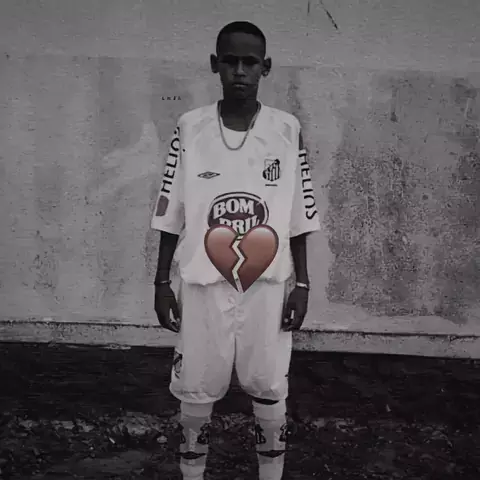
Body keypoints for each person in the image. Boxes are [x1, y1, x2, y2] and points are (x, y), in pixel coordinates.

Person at [151, 21, 320, 480]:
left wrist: (302, 283)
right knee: (195, 385)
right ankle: (192, 474)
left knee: (269, 383)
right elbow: (171, 208)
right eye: (230, 62)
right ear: (215, 65)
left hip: (267, 282)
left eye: (250, 62)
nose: (240, 72)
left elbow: (300, 212)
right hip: (202, 280)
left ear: (266, 67)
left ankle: (271, 474)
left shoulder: (286, 129)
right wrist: (161, 281)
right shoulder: (191, 127)